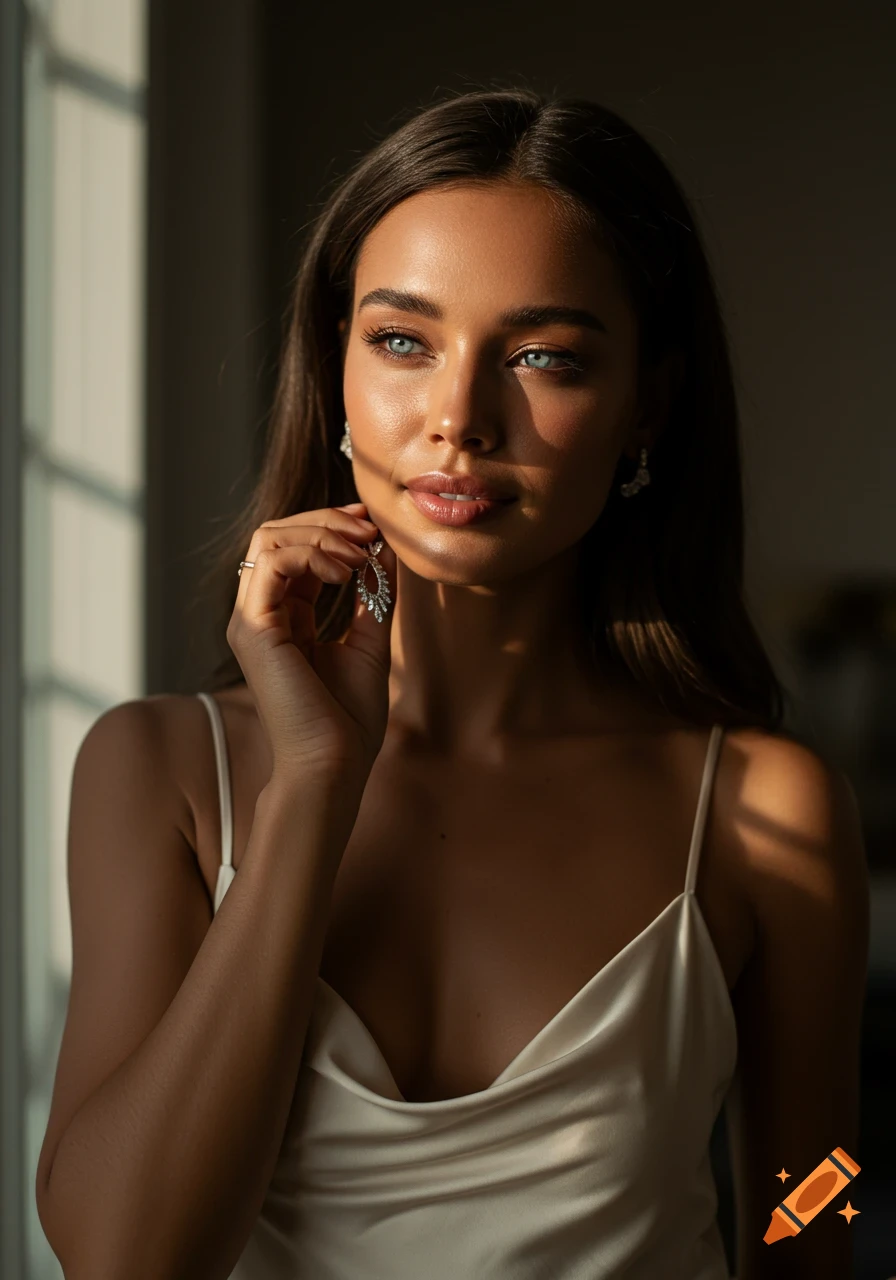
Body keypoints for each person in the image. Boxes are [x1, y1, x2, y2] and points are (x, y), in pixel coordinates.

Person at [35, 88, 868, 1280]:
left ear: (645, 403)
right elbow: (122, 1258)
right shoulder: (160, 770)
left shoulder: (758, 808)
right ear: (336, 364)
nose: (456, 418)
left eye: (542, 357)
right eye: (401, 340)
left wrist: (817, 1222)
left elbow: (816, 1184)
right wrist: (311, 787)